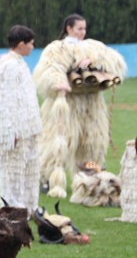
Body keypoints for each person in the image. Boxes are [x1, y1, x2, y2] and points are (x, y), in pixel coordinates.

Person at [33, 14, 128, 200]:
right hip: (66, 104)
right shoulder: (57, 48)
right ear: (69, 28)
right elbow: (49, 69)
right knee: (58, 142)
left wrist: (94, 62)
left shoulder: (94, 47)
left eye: (84, 28)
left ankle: (89, 178)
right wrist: (59, 82)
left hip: (91, 105)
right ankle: (47, 177)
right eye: (79, 29)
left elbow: (115, 62)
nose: (83, 32)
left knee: (92, 142)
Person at [0, 25, 42, 212]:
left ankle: (29, 208)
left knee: (29, 171)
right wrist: (11, 131)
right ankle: (12, 209)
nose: (33, 47)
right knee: (12, 171)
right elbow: (7, 101)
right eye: (31, 43)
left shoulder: (20, 63)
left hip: (28, 128)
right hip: (15, 131)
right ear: (21, 44)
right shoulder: (8, 66)